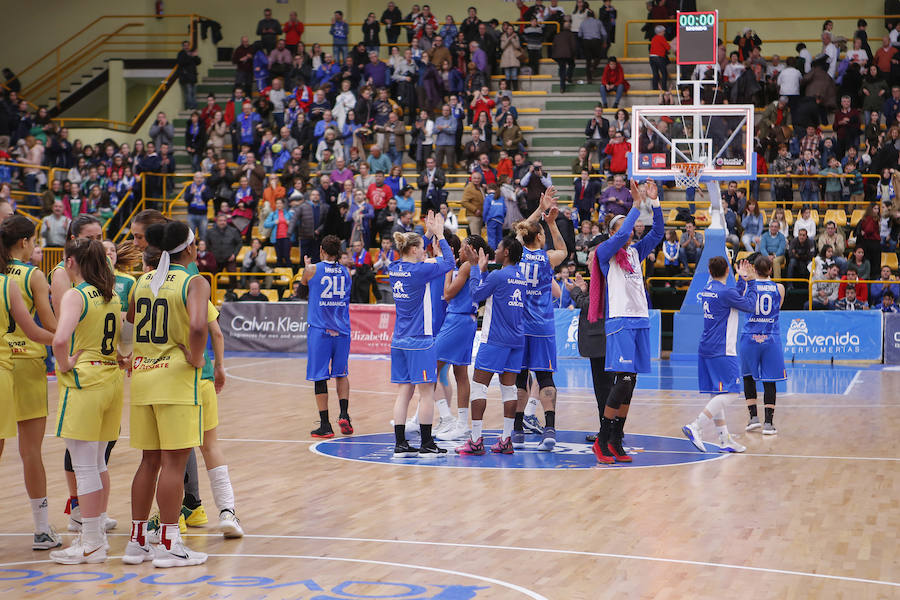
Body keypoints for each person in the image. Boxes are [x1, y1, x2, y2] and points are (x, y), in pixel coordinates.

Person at [124, 220, 210, 568]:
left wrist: (126, 353)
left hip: (143, 376)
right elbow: (199, 325)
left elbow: (127, 324)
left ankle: (137, 541)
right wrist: (196, 355)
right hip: (174, 379)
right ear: (188, 248)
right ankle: (171, 542)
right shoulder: (195, 281)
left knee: (149, 461)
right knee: (175, 463)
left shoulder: (142, 280)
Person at [48, 239, 123, 564]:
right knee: (99, 462)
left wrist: (63, 364)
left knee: (84, 466)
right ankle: (97, 535)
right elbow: (125, 342)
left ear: (73, 263)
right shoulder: (112, 294)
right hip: (111, 380)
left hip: (86, 381)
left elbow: (60, 339)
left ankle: (91, 542)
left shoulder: (76, 295)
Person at [590, 179, 664, 463]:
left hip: (639, 320)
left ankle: (616, 440)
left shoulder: (635, 252)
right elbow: (621, 236)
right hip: (620, 320)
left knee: (630, 384)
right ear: (612, 231)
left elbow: (658, 231)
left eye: (631, 225)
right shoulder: (605, 253)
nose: (631, 230)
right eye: (625, 226)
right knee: (620, 382)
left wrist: (654, 204)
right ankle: (602, 439)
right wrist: (634, 206)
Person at [1, 216, 61, 551]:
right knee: (30, 452)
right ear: (24, 242)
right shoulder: (32, 275)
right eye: (35, 241)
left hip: (1, 362)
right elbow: (48, 323)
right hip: (25, 364)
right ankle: (41, 528)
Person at [388, 212, 454, 458]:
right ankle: (427, 443)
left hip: (399, 341)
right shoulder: (419, 272)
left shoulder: (394, 267)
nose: (425, 252)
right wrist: (439, 235)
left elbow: (413, 252)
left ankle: (400, 444)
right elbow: (449, 263)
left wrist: (425, 234)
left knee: (404, 392)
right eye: (422, 249)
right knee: (426, 392)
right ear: (414, 249)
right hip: (420, 340)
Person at [455, 235, 527, 456]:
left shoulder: (499, 275)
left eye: (498, 247)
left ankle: (476, 440)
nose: (495, 250)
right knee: (509, 389)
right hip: (516, 339)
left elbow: (477, 293)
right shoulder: (520, 277)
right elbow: (495, 291)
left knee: (479, 387)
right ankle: (506, 439)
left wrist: (476, 268)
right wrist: (483, 272)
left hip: (495, 338)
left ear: (506, 252)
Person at [681, 257, 758, 454]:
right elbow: (749, 305)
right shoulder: (725, 292)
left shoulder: (709, 289)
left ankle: (724, 439)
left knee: (718, 393)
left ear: (709, 270)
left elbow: (734, 296)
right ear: (727, 271)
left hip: (706, 347)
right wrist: (751, 281)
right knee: (732, 392)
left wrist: (741, 279)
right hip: (722, 349)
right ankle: (696, 425)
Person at [511, 190, 567, 451]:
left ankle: (518, 430)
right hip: (543, 327)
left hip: (520, 327)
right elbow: (564, 251)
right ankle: (550, 429)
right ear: (541, 237)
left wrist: (538, 211)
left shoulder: (517, 255)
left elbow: (519, 234)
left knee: (520, 378)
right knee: (545, 378)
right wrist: (552, 222)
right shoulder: (547, 258)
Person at [434, 235, 490, 442]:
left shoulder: (467, 266)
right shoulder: (477, 267)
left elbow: (448, 294)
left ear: (471, 249)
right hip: (468, 321)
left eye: (462, 247)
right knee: (460, 373)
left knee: (431, 366)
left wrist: (448, 272)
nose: (458, 250)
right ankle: (461, 424)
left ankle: (445, 417)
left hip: (457, 320)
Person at [300, 235, 353, 438]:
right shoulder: (346, 273)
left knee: (320, 376)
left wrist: (306, 268)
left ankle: (325, 425)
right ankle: (345, 415)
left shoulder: (312, 269)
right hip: (342, 331)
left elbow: (301, 292)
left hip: (320, 331)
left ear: (321, 250)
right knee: (342, 373)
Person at [739, 256, 786, 435]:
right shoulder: (779, 288)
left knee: (748, 376)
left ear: (754, 270)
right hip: (770, 338)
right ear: (770, 271)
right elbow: (777, 308)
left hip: (749, 337)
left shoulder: (746, 287)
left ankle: (753, 418)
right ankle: (769, 423)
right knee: (770, 379)